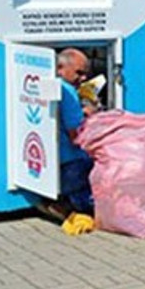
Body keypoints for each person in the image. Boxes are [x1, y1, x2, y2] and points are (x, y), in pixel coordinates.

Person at [47, 48, 94, 220]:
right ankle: (70, 205)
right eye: (79, 73)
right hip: (72, 166)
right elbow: (76, 137)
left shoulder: (53, 86)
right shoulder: (68, 92)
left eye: (85, 74)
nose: (84, 79)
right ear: (60, 68)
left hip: (53, 165)